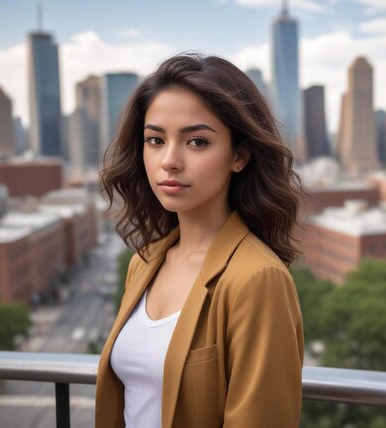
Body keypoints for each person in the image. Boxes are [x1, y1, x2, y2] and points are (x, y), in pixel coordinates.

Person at [95, 53, 305, 428]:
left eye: (196, 142)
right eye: (155, 140)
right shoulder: (144, 263)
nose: (169, 161)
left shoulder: (257, 279)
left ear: (238, 156)